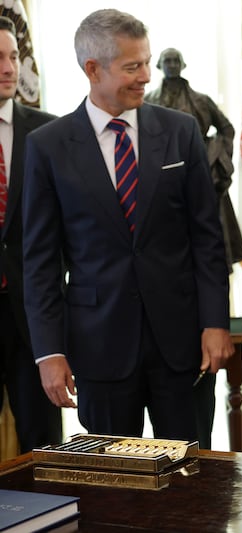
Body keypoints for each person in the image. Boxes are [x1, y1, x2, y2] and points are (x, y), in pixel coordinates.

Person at [22, 9, 234, 442]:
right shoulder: (47, 147)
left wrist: (216, 323)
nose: (145, 76)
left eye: (147, 62)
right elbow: (41, 262)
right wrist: (50, 351)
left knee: (192, 483)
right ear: (93, 70)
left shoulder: (181, 131)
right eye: (132, 66)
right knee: (115, 490)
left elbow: (207, 238)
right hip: (98, 350)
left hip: (184, 346)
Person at [144, 47, 242, 449]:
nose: (170, 68)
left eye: (174, 62)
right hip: (165, 205)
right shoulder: (149, 102)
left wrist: (215, 160)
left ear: (181, 66)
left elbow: (227, 130)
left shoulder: (201, 101)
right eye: (164, 63)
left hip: (207, 191)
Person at [0, 15, 61, 452]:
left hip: (33, 318)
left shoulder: (47, 130)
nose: (8, 68)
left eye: (13, 57)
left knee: (43, 450)